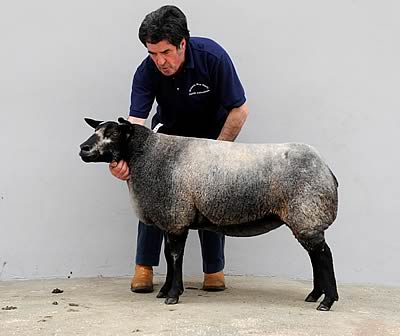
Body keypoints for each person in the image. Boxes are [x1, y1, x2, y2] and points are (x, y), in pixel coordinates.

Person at [109, 5, 248, 293]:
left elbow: (240, 109)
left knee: (210, 201)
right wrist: (121, 159)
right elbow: (134, 124)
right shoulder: (146, 71)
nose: (159, 61)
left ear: (182, 43)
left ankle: (214, 270)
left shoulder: (213, 57)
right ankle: (144, 268)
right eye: (152, 53)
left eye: (165, 53)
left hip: (211, 139)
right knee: (152, 195)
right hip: (168, 140)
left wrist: (216, 156)